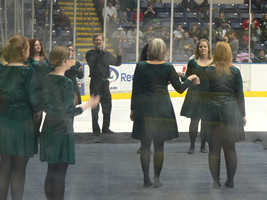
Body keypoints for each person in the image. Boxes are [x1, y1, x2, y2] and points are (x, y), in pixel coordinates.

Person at [130, 38, 200, 188]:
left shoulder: (141, 66)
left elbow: (136, 89)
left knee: (145, 145)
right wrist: (192, 78)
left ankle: (146, 179)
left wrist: (133, 109)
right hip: (162, 107)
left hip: (144, 107)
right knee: (159, 146)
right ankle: (156, 179)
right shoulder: (168, 67)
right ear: (162, 51)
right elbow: (180, 89)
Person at [40, 46, 100, 200]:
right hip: (62, 131)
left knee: (51, 171)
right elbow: (67, 113)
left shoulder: (46, 79)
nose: (73, 60)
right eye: (71, 58)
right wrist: (87, 105)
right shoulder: (66, 83)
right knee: (60, 174)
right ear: (65, 61)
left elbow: (44, 105)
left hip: (49, 127)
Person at [0, 35, 41, 200]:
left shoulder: (1, 70)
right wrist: (37, 113)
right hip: (22, 122)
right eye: (28, 49)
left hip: (3, 121)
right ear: (23, 51)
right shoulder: (27, 71)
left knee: (4, 166)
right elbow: (34, 100)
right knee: (19, 169)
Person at [202, 42, 246, 188]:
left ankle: (215, 181)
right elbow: (239, 95)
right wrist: (242, 115)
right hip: (230, 112)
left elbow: (204, 95)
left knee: (214, 148)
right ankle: (231, 181)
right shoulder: (234, 71)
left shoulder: (208, 71)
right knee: (230, 147)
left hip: (212, 113)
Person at [180, 39, 213, 154]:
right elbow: (187, 79)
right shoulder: (192, 62)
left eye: (205, 47)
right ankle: (192, 145)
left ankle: (203, 145)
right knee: (194, 122)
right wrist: (181, 77)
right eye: (201, 47)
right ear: (198, 49)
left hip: (208, 96)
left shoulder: (214, 62)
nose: (203, 48)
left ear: (209, 48)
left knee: (205, 123)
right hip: (195, 96)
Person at [86, 34, 122, 136]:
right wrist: (103, 53)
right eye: (96, 40)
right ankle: (96, 130)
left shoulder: (105, 54)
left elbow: (116, 63)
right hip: (95, 83)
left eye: (100, 40)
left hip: (105, 83)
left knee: (107, 106)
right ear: (93, 42)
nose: (98, 41)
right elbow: (94, 64)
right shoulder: (90, 54)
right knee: (95, 108)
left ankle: (106, 128)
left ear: (102, 42)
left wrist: (119, 55)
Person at [27, 39, 51, 136]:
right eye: (36, 45)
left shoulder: (45, 59)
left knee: (41, 112)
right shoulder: (29, 60)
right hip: (33, 89)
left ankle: (37, 131)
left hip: (44, 88)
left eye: (39, 45)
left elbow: (50, 70)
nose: (38, 46)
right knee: (35, 112)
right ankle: (32, 131)